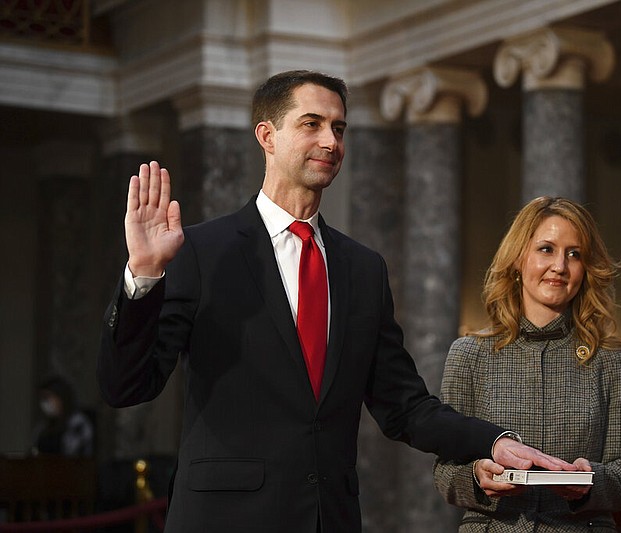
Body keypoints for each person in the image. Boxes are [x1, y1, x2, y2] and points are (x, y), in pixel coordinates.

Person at [97, 70, 576, 533]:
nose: (331, 141)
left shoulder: (363, 267)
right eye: (312, 124)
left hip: (330, 519)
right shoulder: (202, 251)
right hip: (224, 518)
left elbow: (403, 405)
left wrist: (492, 441)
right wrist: (143, 275)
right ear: (267, 135)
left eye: (339, 128)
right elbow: (126, 387)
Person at [433, 196, 621, 532]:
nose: (560, 266)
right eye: (546, 249)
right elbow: (445, 472)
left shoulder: (612, 359)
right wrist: (477, 475)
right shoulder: (469, 354)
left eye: (574, 254)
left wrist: (589, 480)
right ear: (519, 258)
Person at [32, 376, 94, 457]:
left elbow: (73, 455)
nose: (45, 403)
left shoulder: (78, 423)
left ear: (60, 397)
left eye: (47, 397)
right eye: (42, 399)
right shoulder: (44, 427)